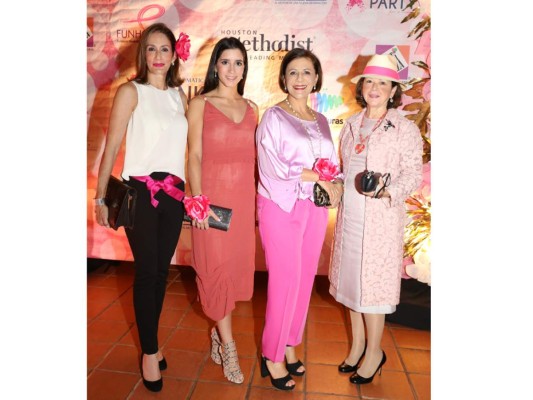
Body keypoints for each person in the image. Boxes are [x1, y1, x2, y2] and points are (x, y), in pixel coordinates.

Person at [94, 23, 189, 392]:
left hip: (174, 196)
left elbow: (185, 151)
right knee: (147, 273)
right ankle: (149, 352)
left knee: (162, 273)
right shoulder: (130, 91)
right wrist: (100, 197)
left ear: (174, 55)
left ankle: (152, 340)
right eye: (151, 49)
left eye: (164, 49)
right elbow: (112, 146)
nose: (158, 56)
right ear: (143, 54)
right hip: (141, 194)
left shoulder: (180, 96)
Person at [329, 54, 423, 385]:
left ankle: (374, 352)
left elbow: (413, 173)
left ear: (393, 90)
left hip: (381, 219)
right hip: (351, 217)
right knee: (351, 284)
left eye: (383, 83)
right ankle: (357, 347)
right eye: (369, 81)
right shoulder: (351, 124)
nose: (375, 88)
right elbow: (344, 169)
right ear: (361, 87)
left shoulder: (404, 128)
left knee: (373, 287)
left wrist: (387, 191)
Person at [256, 48, 343, 391]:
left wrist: (335, 183)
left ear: (317, 77)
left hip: (314, 208)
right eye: (293, 72)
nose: (300, 79)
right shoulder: (274, 116)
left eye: (307, 72)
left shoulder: (321, 120)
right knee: (285, 279)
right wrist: (316, 176)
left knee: (305, 278)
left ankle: (290, 343)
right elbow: (271, 166)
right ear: (283, 78)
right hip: (281, 205)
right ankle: (271, 354)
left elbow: (331, 164)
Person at [186, 37, 258, 384]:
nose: (232, 69)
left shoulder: (253, 108)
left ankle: (218, 333)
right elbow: (194, 155)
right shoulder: (200, 104)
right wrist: (198, 202)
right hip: (211, 205)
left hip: (242, 203)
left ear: (245, 68)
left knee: (233, 271)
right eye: (226, 62)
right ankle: (230, 347)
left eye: (238, 63)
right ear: (215, 65)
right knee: (214, 271)